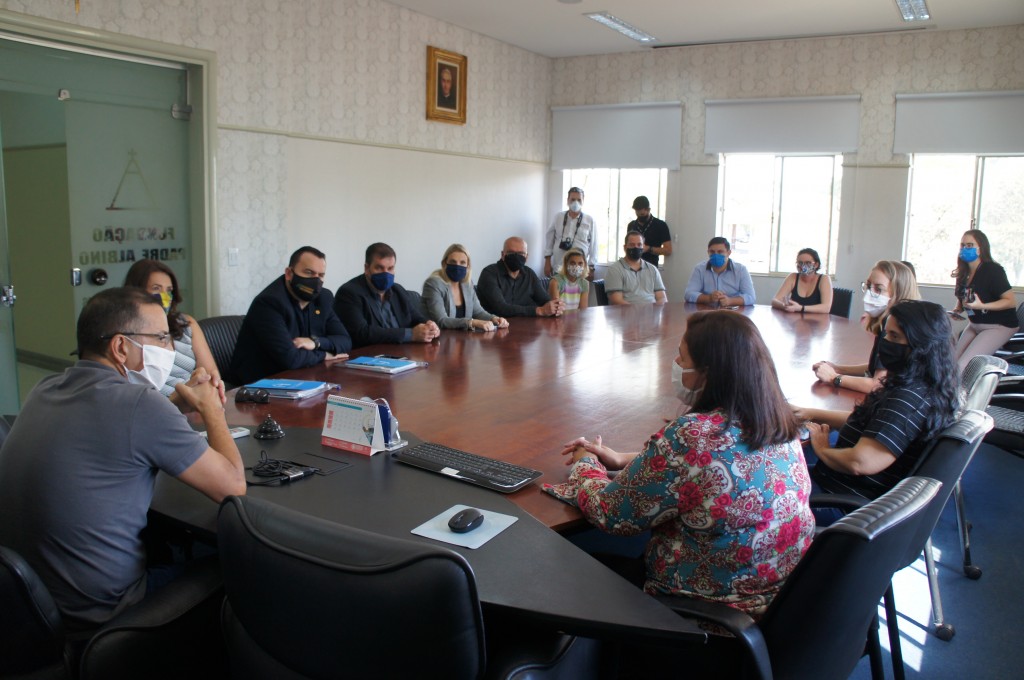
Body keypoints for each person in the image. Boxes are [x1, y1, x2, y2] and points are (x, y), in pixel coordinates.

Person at [0, 288, 246, 630]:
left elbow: (115, 431)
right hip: (103, 613)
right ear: (120, 346)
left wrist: (172, 407)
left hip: (28, 608)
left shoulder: (45, 388)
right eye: (161, 338)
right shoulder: (140, 404)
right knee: (237, 562)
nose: (170, 350)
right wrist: (210, 408)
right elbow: (233, 487)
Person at [544, 311, 814, 617]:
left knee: (566, 563)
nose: (675, 364)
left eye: (681, 357)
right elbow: (713, 465)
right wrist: (622, 459)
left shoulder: (694, 437)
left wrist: (586, 464)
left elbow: (612, 514)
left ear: (708, 371)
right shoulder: (778, 422)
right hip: (782, 607)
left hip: (704, 614)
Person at [800, 300, 960, 500]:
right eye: (886, 334)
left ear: (921, 345)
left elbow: (859, 462)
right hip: (843, 487)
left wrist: (822, 448)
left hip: (841, 500)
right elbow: (873, 422)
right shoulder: (924, 385)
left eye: (894, 336)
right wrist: (810, 413)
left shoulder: (908, 399)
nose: (885, 341)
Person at [230, 246, 352, 385]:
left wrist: (315, 342)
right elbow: (290, 358)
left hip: (302, 378)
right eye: (309, 272)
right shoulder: (269, 303)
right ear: (289, 273)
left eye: (321, 275)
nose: (315, 280)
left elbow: (345, 340)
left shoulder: (323, 298)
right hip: (259, 385)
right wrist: (324, 354)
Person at [123, 259, 225, 404]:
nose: (165, 296)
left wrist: (206, 383)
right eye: (156, 288)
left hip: (196, 404)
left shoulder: (185, 323)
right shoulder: (127, 331)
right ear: (137, 292)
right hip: (154, 408)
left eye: (169, 290)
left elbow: (211, 374)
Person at [812, 260, 919, 395]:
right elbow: (875, 368)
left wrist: (834, 377)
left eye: (878, 289)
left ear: (898, 292)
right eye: (868, 286)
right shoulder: (887, 321)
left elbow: (876, 384)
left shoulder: (893, 329)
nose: (870, 293)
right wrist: (838, 368)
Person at [335, 242, 441, 347]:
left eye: (390, 268)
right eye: (379, 268)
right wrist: (411, 334)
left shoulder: (398, 290)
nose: (386, 273)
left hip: (402, 353)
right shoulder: (348, 293)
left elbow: (415, 317)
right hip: (368, 356)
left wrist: (430, 326)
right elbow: (362, 333)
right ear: (367, 268)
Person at [951, 229, 1019, 372]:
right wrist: (958, 308)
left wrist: (982, 305)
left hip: (999, 325)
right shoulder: (963, 272)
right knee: (951, 361)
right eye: (962, 245)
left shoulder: (993, 270)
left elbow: (1010, 301)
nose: (965, 249)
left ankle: (963, 394)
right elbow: (964, 298)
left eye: (970, 245)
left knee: (963, 365)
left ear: (981, 248)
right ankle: (946, 393)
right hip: (975, 324)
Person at [422, 243, 509, 331]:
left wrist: (494, 319)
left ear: (468, 266)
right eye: (453, 262)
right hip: (437, 339)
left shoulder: (467, 284)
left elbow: (478, 312)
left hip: (462, 339)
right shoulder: (433, 284)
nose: (457, 266)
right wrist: (471, 322)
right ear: (445, 263)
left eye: (462, 262)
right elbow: (441, 321)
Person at [478, 237, 564, 318]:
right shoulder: (489, 274)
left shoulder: (529, 274)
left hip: (525, 327)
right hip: (494, 328)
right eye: (511, 253)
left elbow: (544, 300)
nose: (516, 256)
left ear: (526, 257)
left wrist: (555, 306)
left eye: (521, 253)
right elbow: (501, 308)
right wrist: (538, 310)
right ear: (503, 255)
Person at [683, 237, 756, 306]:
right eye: (712, 252)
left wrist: (730, 301)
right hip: (706, 311)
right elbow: (689, 294)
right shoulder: (699, 269)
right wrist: (709, 298)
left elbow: (751, 297)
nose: (715, 255)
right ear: (708, 252)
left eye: (720, 252)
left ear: (729, 253)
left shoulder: (741, 270)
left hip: (732, 312)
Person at [543, 187, 597, 278]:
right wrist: (547, 262)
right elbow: (549, 239)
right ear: (567, 200)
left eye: (579, 200)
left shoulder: (589, 220)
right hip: (559, 267)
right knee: (557, 291)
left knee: (576, 292)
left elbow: (594, 245)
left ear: (583, 201)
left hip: (579, 269)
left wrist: (591, 267)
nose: (576, 202)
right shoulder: (558, 217)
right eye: (573, 199)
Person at [603, 231, 667, 305]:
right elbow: (616, 301)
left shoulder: (652, 269)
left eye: (639, 245)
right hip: (625, 313)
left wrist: (656, 312)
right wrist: (638, 313)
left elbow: (662, 298)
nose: (636, 247)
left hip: (651, 313)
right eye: (632, 245)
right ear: (625, 247)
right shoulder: (614, 269)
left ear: (643, 247)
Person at [770, 247, 834, 314]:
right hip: (794, 321)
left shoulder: (824, 279)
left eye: (808, 263)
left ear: (816, 265)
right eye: (800, 263)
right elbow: (774, 301)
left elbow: (826, 308)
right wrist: (786, 306)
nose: (803, 266)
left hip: (817, 322)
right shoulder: (793, 277)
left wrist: (800, 308)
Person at [626, 195, 672, 267]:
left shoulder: (660, 225)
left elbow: (668, 250)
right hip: (632, 266)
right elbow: (627, 247)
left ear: (648, 209)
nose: (640, 215)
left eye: (643, 214)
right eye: (638, 213)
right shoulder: (631, 225)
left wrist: (649, 249)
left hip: (651, 267)